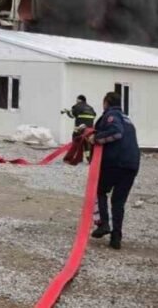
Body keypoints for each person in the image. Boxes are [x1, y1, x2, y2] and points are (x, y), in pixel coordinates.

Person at [88, 91, 140, 250]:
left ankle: (104, 223)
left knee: (99, 190)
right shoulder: (128, 119)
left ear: (106, 102)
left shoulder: (111, 116)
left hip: (114, 163)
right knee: (118, 202)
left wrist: (95, 138)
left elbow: (116, 133)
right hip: (131, 165)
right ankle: (116, 237)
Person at [62, 94, 97, 159]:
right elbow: (94, 115)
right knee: (86, 142)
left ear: (79, 100)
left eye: (76, 100)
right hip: (89, 129)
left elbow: (72, 115)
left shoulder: (76, 106)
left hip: (79, 128)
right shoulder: (90, 107)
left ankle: (75, 156)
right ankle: (88, 157)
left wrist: (67, 112)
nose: (76, 102)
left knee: (76, 140)